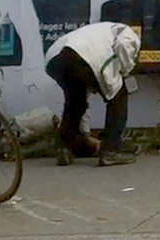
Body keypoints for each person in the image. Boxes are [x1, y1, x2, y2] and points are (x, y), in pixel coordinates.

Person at [45, 20, 142, 166]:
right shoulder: (128, 32)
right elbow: (124, 44)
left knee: (76, 101)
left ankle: (65, 148)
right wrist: (126, 69)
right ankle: (110, 152)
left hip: (54, 58)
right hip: (82, 54)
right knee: (118, 96)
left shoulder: (101, 32)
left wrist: (85, 133)